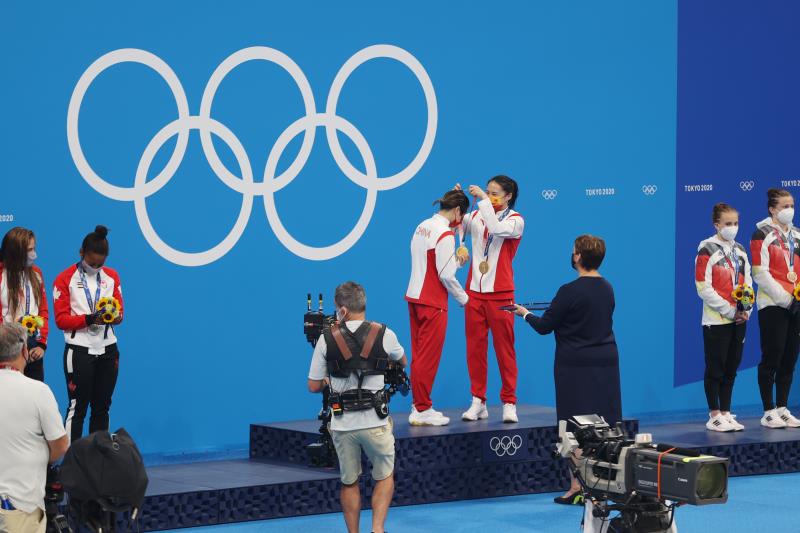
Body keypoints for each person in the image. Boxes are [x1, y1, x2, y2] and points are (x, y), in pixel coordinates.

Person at [512, 234, 621, 505]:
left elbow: (544, 326)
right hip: (606, 363)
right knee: (603, 424)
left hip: (575, 367)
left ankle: (577, 487)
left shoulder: (568, 291)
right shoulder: (608, 288)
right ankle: (601, 485)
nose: (572, 254)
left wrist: (524, 314)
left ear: (578, 257)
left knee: (573, 426)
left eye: (573, 251)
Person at [307, 281, 407, 533]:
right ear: (363, 304)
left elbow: (313, 385)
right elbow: (403, 361)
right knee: (385, 476)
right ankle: (377, 529)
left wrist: (329, 380)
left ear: (341, 309)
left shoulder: (326, 339)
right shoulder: (385, 334)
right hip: (376, 421)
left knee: (349, 482)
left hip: (343, 424)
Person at [458, 176, 525, 423]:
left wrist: (483, 200)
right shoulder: (476, 215)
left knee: (504, 349)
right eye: (488, 191)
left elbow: (495, 228)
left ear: (508, 196)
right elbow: (454, 222)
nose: (490, 196)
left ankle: (509, 402)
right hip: (474, 293)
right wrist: (458, 201)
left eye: (495, 193)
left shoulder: (516, 220)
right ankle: (478, 401)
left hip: (501, 294)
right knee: (475, 350)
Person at [53, 225, 124, 443]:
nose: (95, 267)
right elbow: (61, 320)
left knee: (102, 407)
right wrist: (88, 319)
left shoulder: (112, 276)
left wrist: (113, 316)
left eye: (100, 264)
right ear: (81, 253)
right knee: (78, 407)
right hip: (79, 351)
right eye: (91, 263)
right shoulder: (65, 278)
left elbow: (121, 314)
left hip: (108, 350)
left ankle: (98, 457)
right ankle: (72, 460)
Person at [405, 189, 470, 426]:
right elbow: (446, 275)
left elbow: (433, 263)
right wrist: (464, 299)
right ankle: (422, 409)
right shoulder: (445, 234)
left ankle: (418, 405)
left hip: (415, 298)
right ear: (457, 211)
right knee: (428, 358)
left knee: (419, 356)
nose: (460, 223)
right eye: (461, 217)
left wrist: (456, 261)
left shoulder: (422, 226)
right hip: (433, 302)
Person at [0, 323, 68, 533]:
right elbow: (60, 445)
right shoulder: (38, 391)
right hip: (21, 506)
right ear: (24, 350)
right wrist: (37, 458)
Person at [695, 203, 752, 432]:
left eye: (736, 223)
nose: (733, 227)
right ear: (716, 224)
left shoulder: (740, 250)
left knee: (731, 368)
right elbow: (703, 287)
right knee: (715, 368)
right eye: (728, 223)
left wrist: (746, 309)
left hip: (739, 320)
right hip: (716, 320)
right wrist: (729, 311)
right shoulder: (706, 249)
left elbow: (748, 282)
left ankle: (727, 412)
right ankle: (714, 414)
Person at [750, 188, 800, 428]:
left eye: (792, 206)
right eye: (784, 206)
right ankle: (768, 410)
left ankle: (782, 407)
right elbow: (760, 273)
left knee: (790, 357)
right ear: (772, 209)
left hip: (796, 303)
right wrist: (785, 298)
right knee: (773, 355)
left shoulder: (797, 235)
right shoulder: (761, 234)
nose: (790, 210)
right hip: (772, 304)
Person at [0, 227, 49, 382]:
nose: (34, 254)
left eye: (34, 248)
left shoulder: (36, 273)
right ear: (16, 252)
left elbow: (43, 311)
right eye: (29, 250)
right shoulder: (1, 275)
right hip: (6, 348)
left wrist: (41, 345)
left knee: (34, 393)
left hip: (33, 347)